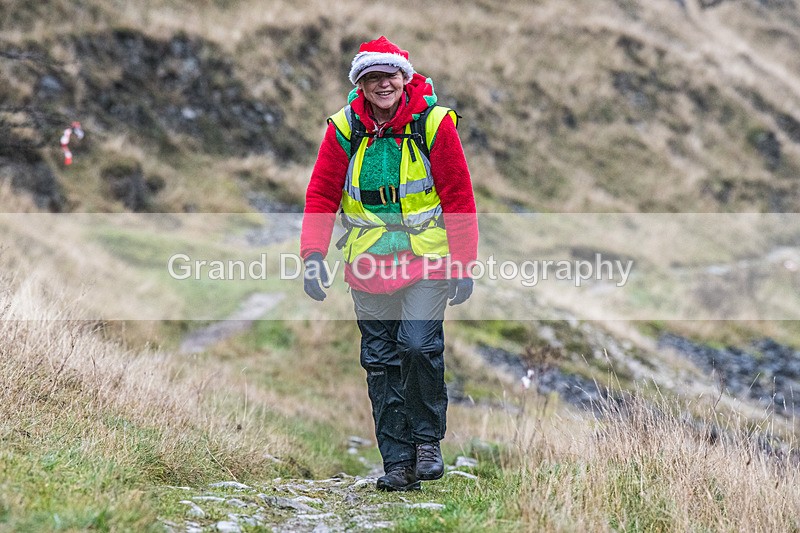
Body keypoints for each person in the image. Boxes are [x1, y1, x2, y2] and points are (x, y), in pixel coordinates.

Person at [299, 36, 479, 491]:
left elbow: (458, 196)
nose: (383, 84)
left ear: (405, 77)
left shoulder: (434, 124)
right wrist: (313, 256)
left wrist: (464, 264)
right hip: (367, 265)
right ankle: (398, 464)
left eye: (390, 75)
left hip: (425, 259)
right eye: (372, 77)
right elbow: (321, 194)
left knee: (416, 346)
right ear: (360, 84)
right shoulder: (344, 128)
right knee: (380, 363)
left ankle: (426, 442)